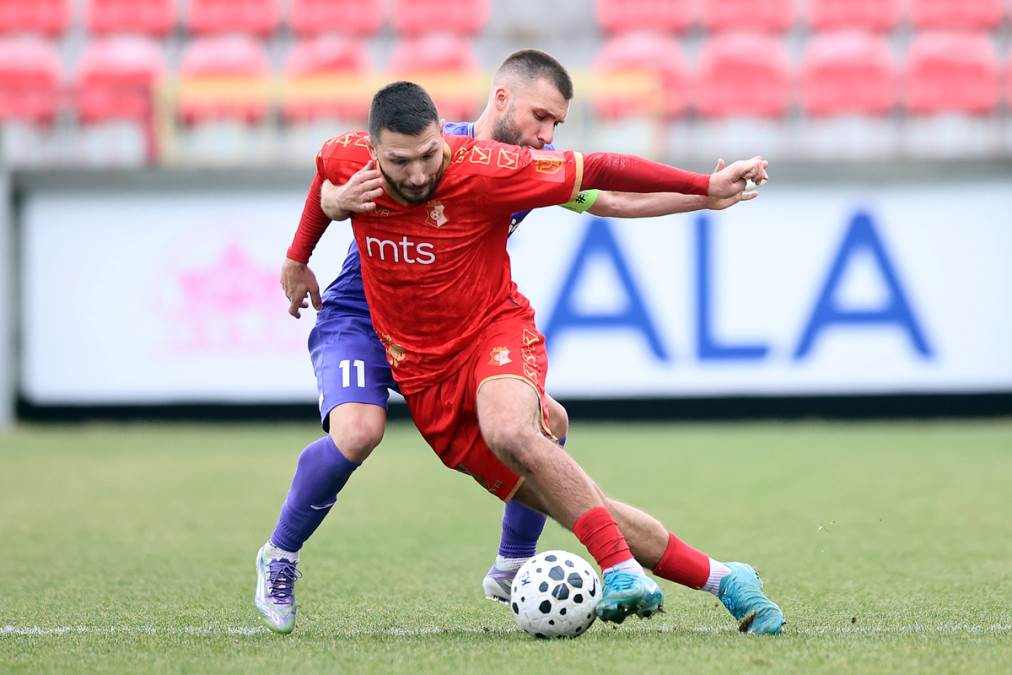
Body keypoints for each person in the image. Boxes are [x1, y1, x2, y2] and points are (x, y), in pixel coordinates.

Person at [253, 51, 761, 634]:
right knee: (359, 431)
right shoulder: (427, 149)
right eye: (540, 117)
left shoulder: (515, 170)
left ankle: (515, 562)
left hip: (448, 330)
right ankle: (280, 555)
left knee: (548, 424)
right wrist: (306, 242)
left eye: (557, 124)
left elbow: (607, 193)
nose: (548, 135)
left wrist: (704, 194)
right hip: (361, 316)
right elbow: (328, 169)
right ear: (501, 99)